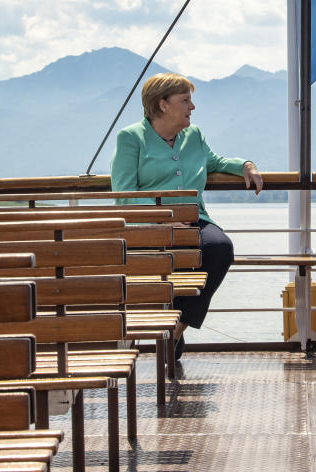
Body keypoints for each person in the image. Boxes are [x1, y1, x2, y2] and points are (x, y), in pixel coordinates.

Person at [110, 72, 263, 360]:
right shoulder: (131, 138)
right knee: (175, 258)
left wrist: (246, 165)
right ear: (163, 104)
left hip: (194, 218)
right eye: (186, 100)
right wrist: (160, 219)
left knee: (219, 248)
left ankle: (177, 328)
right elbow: (124, 195)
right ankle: (168, 330)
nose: (192, 107)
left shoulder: (193, 136)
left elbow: (215, 161)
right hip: (150, 225)